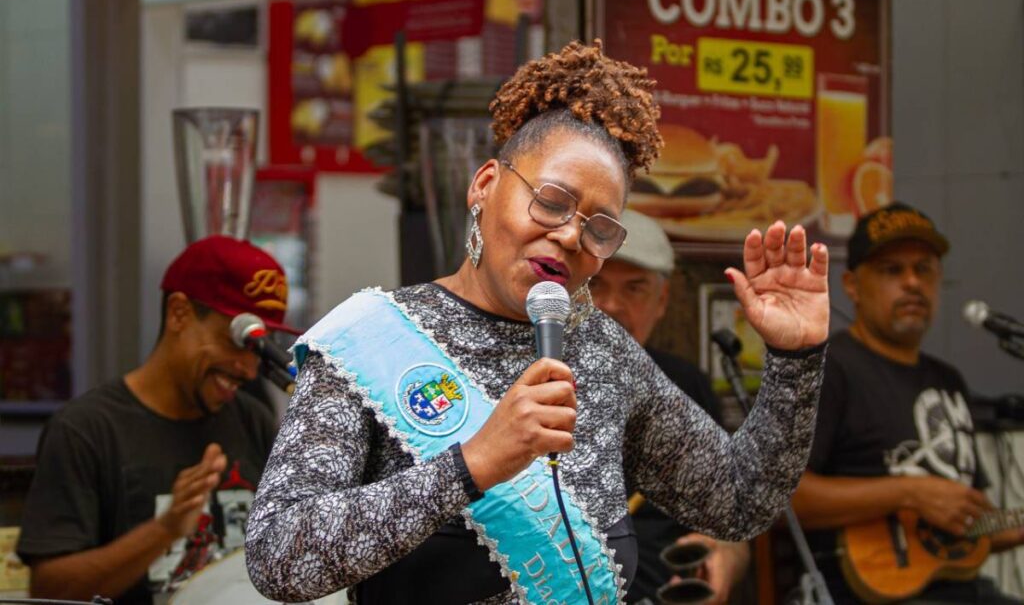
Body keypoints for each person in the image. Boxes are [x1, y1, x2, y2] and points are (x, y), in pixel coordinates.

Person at [246, 40, 830, 604]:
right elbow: (278, 557)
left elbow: (737, 500)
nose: (572, 235)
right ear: (485, 185)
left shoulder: (603, 350)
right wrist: (472, 464)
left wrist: (794, 361)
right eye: (551, 201)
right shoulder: (368, 339)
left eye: (600, 228)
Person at [17, 236, 296, 604]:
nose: (247, 368)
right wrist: (165, 529)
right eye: (234, 341)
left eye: (258, 348)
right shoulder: (86, 430)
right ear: (179, 313)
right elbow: (50, 589)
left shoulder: (252, 421)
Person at [791, 203, 1024, 604]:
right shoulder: (828, 369)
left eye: (925, 268)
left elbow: (968, 526)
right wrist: (909, 493)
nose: (913, 282)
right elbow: (784, 497)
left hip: (961, 590)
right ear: (851, 285)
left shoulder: (948, 380)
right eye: (892, 270)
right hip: (865, 593)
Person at [590, 209, 750, 605]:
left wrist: (725, 555)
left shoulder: (686, 386)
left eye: (635, 288)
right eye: (596, 284)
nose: (611, 305)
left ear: (661, 302)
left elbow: (729, 527)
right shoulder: (534, 380)